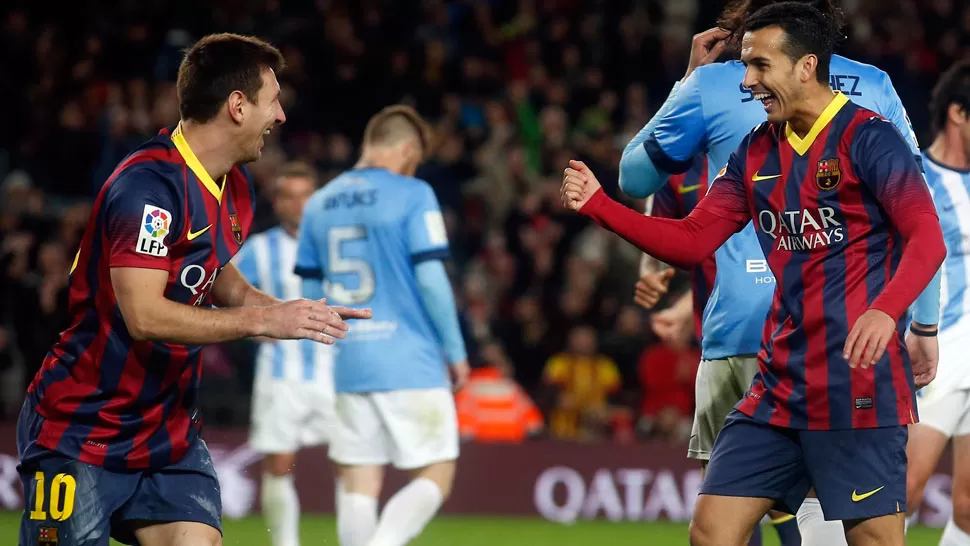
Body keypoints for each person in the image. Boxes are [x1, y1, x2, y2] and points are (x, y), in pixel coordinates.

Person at [561, 3, 945, 545]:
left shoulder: (869, 138)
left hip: (856, 383)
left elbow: (927, 237)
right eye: (745, 66)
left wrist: (889, 310)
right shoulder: (755, 151)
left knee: (875, 540)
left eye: (761, 66)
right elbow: (693, 241)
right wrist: (602, 206)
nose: (748, 81)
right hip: (780, 383)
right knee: (711, 532)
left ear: (806, 66)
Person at [15, 33, 371, 546]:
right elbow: (144, 316)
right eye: (274, 101)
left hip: (169, 430)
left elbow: (222, 283)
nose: (281, 117)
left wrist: (292, 313)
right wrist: (261, 323)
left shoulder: (232, 187)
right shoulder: (148, 190)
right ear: (237, 106)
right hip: (83, 427)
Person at [294, 104, 469, 546]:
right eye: (414, 160)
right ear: (407, 148)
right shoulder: (414, 195)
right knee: (437, 472)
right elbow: (431, 281)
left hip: (351, 362)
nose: (413, 169)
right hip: (412, 358)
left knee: (358, 482)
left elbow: (311, 293)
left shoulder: (318, 203)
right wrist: (456, 351)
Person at [233, 161, 334, 546]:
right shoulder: (260, 250)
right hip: (280, 374)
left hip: (335, 374)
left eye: (306, 195)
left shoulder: (337, 246)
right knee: (278, 465)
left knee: (352, 463)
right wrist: (255, 330)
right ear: (277, 202)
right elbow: (219, 297)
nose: (299, 205)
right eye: (290, 196)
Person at [905, 60, 970, 546]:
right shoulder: (914, 177)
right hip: (938, 353)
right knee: (903, 489)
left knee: (969, 506)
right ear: (958, 114)